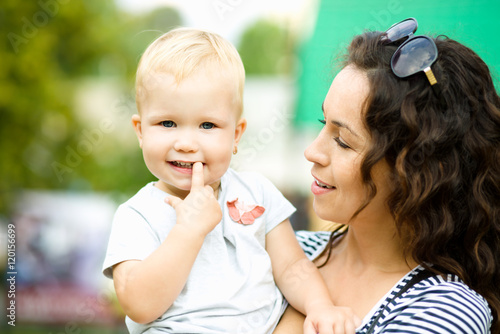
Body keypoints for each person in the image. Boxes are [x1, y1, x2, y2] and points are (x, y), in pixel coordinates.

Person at [102, 27, 360, 334]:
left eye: (207, 125)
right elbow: (139, 305)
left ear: (236, 135)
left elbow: (292, 268)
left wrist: (320, 307)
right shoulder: (137, 215)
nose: (186, 142)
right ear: (141, 130)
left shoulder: (258, 193)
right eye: (167, 123)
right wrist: (188, 230)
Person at [274, 18, 500, 333]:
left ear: (413, 171)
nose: (312, 151)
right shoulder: (287, 250)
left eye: (342, 140)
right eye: (322, 121)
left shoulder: (445, 310)